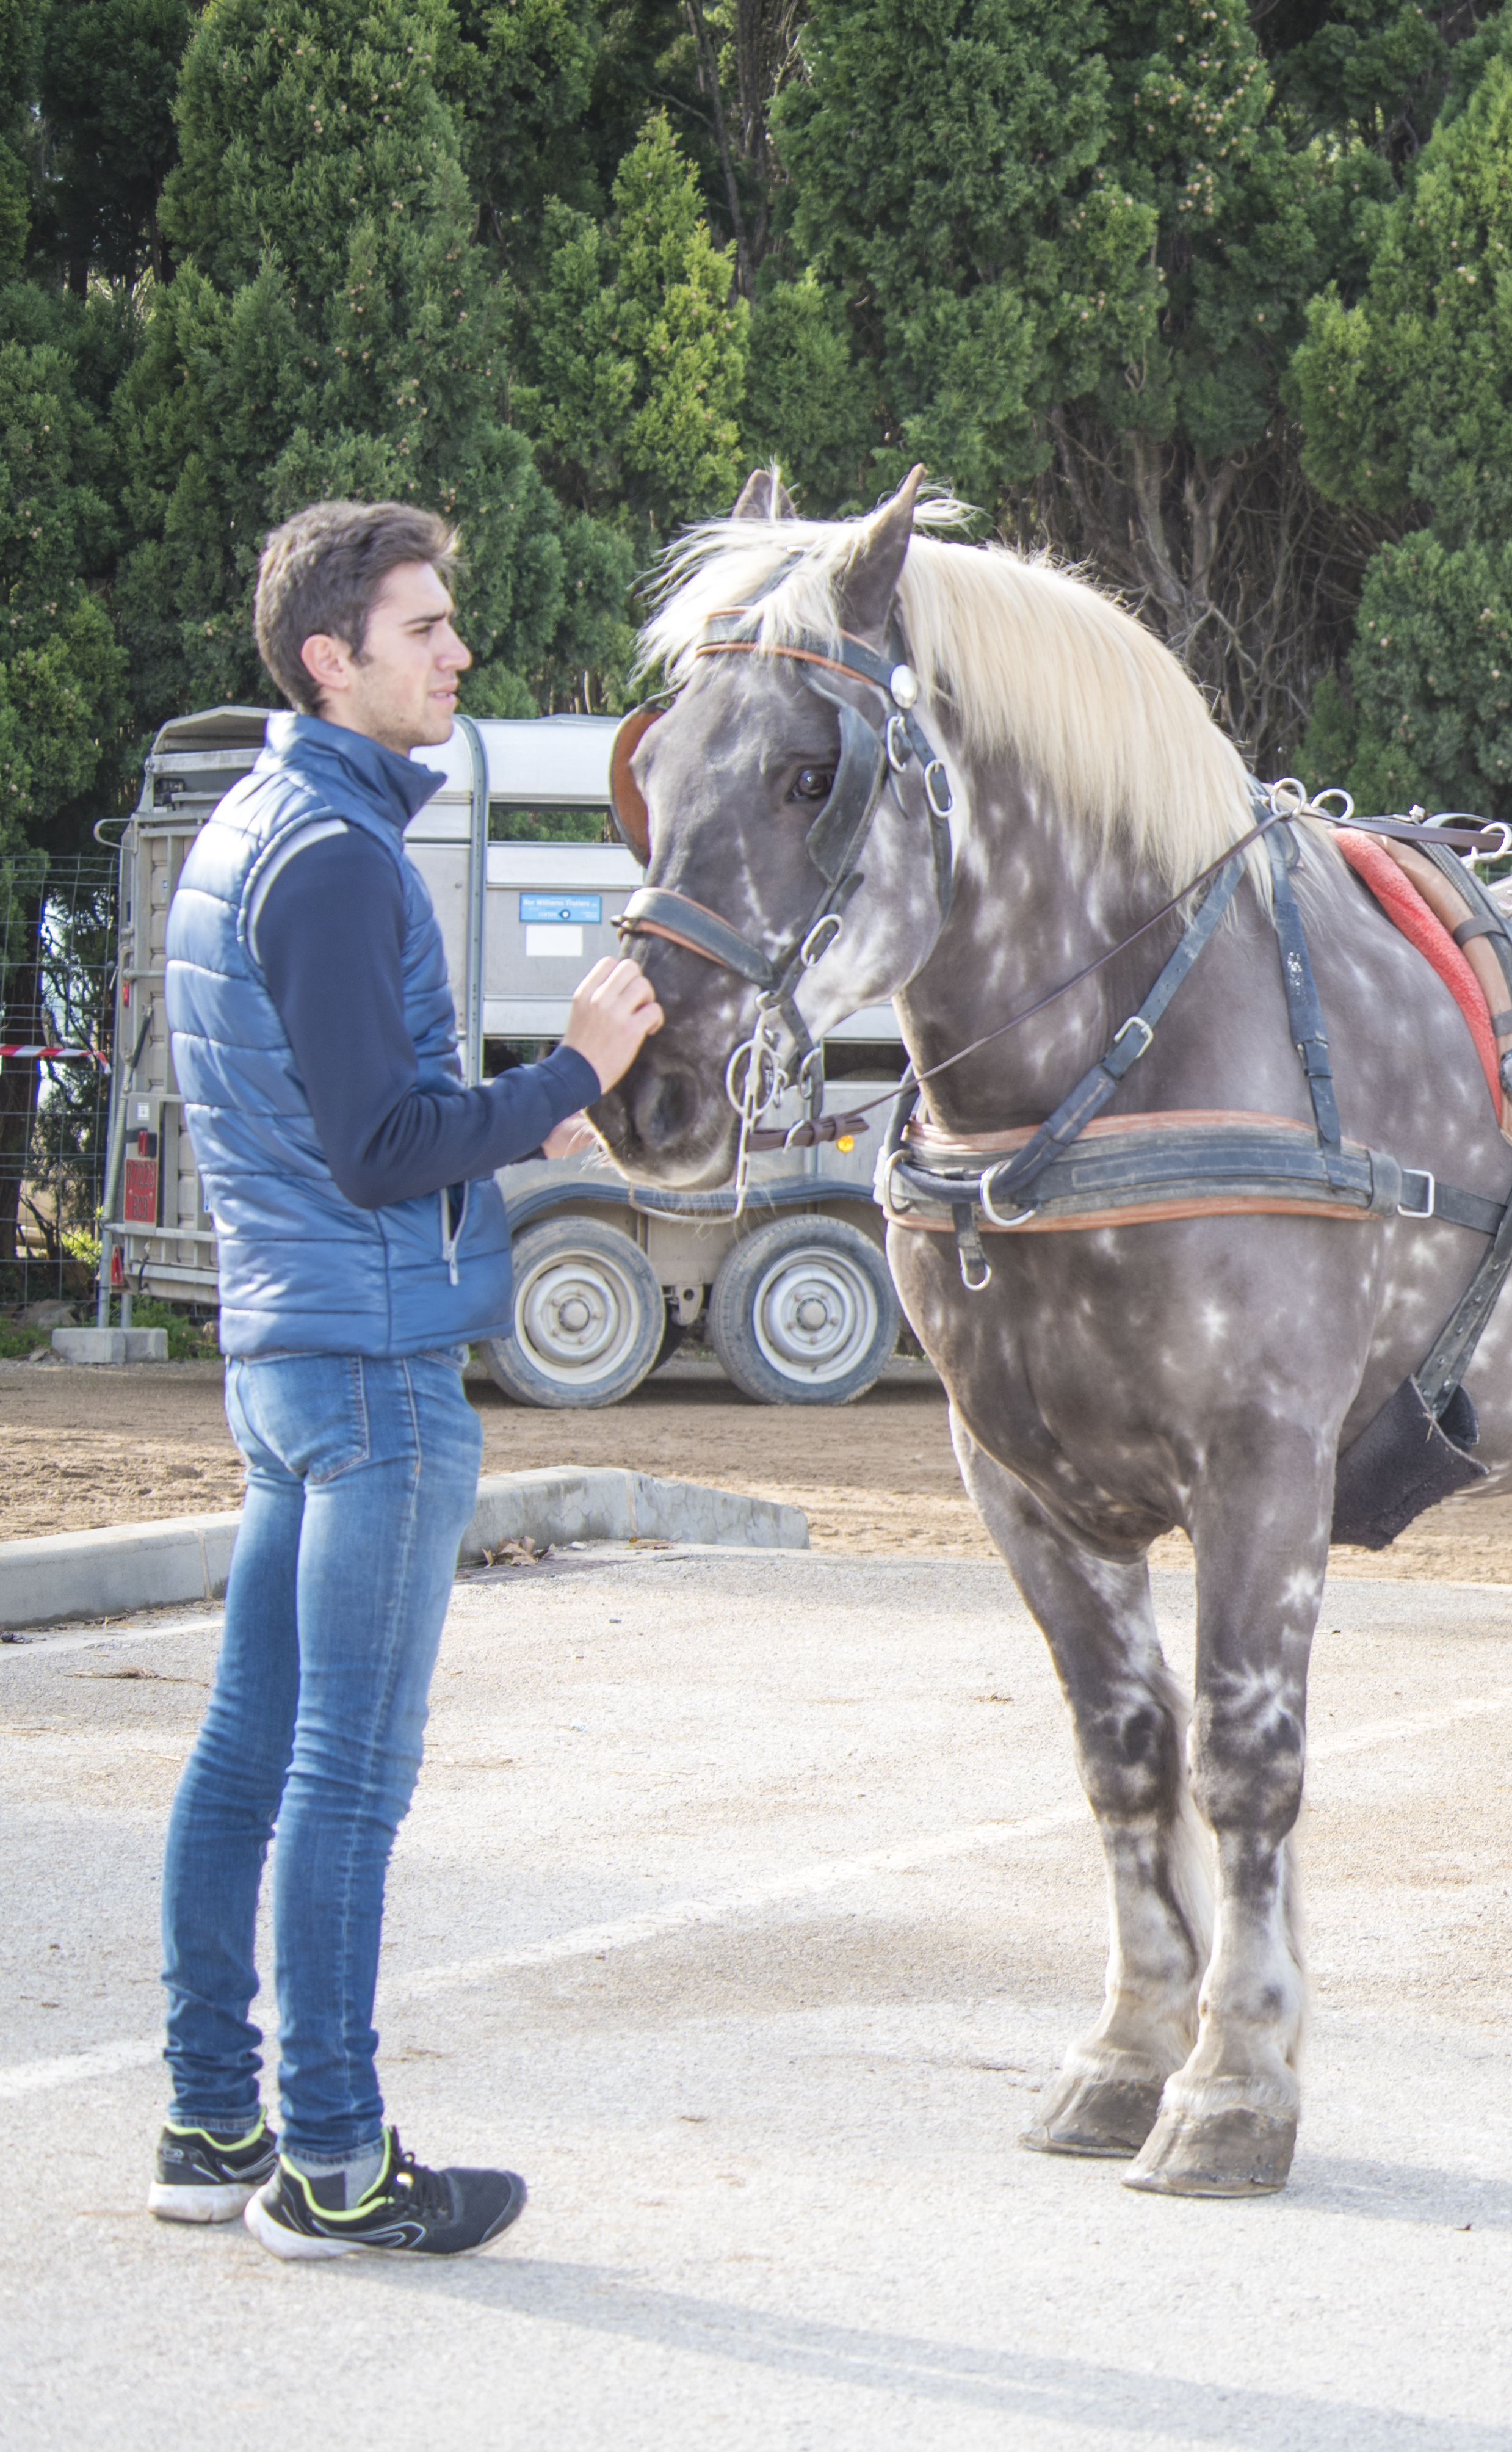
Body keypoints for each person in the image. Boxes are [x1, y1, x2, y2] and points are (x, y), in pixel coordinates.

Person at [154, 502, 663, 2256]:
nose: (456, 654)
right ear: (329, 658)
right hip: (368, 1367)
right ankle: (334, 2165)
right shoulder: (334, 855)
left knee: (246, 1758)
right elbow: (381, 1143)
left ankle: (212, 2123)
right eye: (424, 628)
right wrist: (565, 1076)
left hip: (293, 1352)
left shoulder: (253, 826)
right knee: (342, 1781)